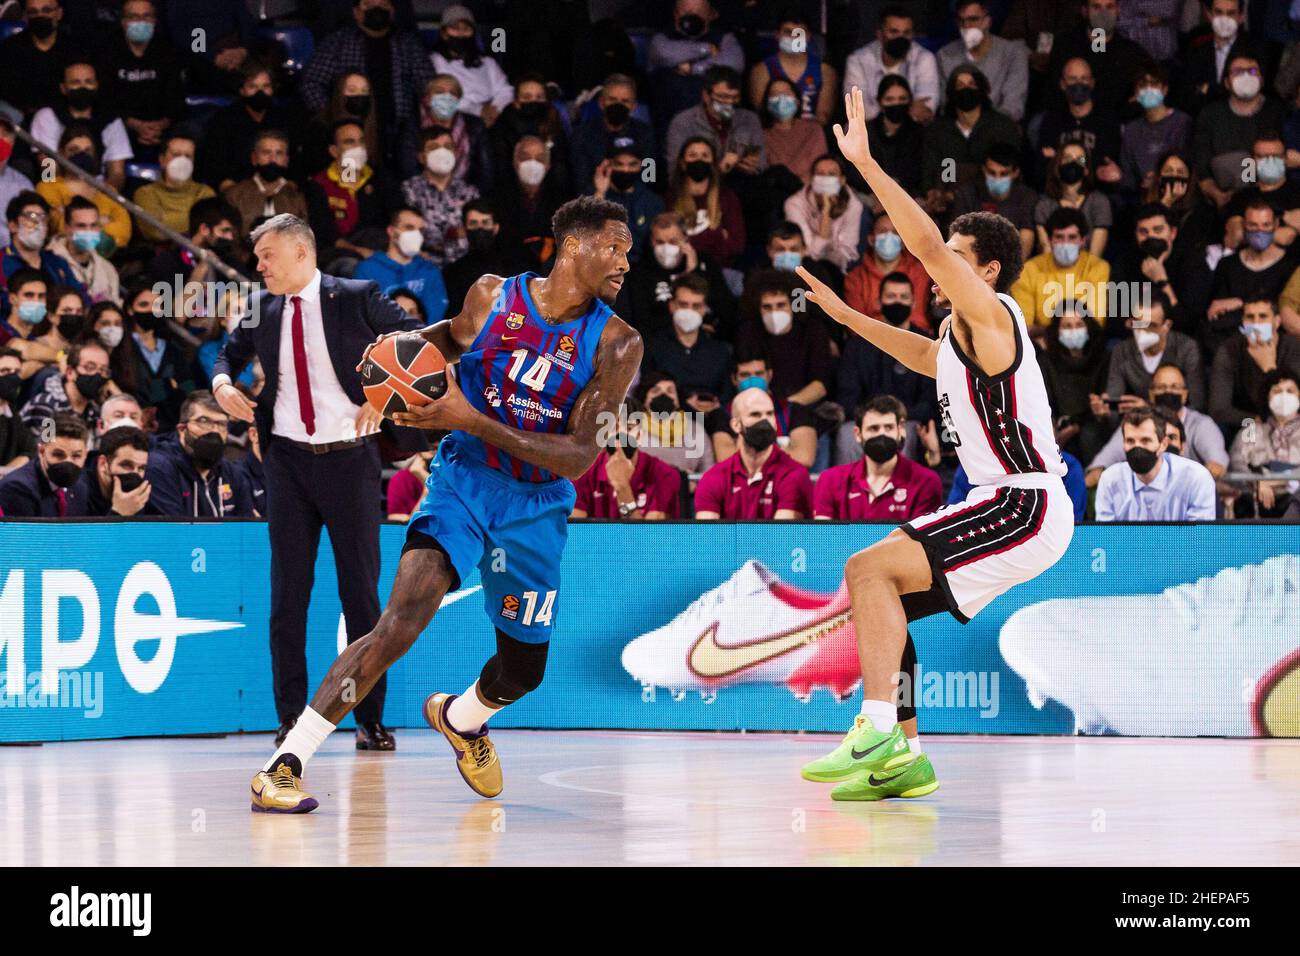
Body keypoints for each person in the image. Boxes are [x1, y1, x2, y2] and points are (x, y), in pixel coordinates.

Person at [244, 197, 642, 812]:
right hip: (463, 479)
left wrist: (469, 417)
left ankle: (462, 717)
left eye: (626, 250)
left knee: (522, 672)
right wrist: (391, 363)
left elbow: (578, 456)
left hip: (536, 504)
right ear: (571, 247)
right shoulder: (490, 296)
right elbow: (443, 340)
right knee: (400, 617)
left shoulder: (618, 343)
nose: (624, 260)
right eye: (613, 246)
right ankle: (285, 763)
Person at [793, 88, 1073, 801]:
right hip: (1007, 503)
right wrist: (844, 314)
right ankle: (905, 759)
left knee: (866, 567)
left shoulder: (993, 313)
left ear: (984, 272)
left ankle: (877, 725)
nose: (936, 261)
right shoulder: (958, 337)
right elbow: (921, 357)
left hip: (1025, 502)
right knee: (881, 599)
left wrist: (866, 164)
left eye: (954, 255)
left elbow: (919, 241)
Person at [212, 213, 422, 757]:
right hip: (285, 462)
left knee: (361, 597)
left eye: (267, 256)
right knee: (288, 598)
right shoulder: (260, 308)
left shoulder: (356, 295)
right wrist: (220, 384)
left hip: (349, 462)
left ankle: (369, 722)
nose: (258, 266)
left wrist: (385, 399)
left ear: (301, 254)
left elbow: (418, 343)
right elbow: (228, 355)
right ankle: (291, 722)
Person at [1087, 363, 1228, 486]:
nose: (1168, 391)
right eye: (1161, 387)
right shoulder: (1135, 422)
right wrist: (1098, 471)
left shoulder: (1201, 424)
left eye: (1175, 387)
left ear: (1185, 394)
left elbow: (1217, 461)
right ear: (1151, 394)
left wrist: (1215, 467)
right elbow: (1105, 460)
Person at [814, 395, 942, 521]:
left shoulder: (925, 481)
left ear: (900, 430)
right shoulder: (830, 480)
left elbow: (921, 538)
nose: (882, 434)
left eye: (889, 427)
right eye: (873, 428)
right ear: (858, 434)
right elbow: (824, 537)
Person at [694, 386, 813, 519]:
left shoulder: (794, 474)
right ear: (736, 425)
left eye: (770, 414)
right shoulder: (714, 477)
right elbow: (706, 535)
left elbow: (781, 536)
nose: (765, 421)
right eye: (755, 414)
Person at [144, 390, 255, 517]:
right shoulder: (160, 467)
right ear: (182, 429)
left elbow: (244, 530)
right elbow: (174, 532)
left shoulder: (233, 473)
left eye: (221, 424)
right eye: (204, 421)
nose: (214, 431)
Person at [1095, 407, 1216, 520]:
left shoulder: (1196, 478)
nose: (1137, 447)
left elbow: (1199, 539)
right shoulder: (1110, 479)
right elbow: (1107, 538)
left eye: (1145, 440)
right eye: (1130, 441)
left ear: (1163, 444)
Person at [570, 401, 682, 519]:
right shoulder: (582, 472)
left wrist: (622, 487)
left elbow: (649, 536)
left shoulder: (664, 474)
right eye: (615, 427)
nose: (621, 434)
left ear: (639, 435)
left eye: (629, 428)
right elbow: (576, 531)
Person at [1209, 295, 1300, 431]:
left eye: (1263, 316)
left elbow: (1288, 406)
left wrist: (1269, 368)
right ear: (1243, 322)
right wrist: (1258, 422)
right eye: (1250, 317)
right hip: (1247, 424)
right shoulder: (1229, 349)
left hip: (1291, 424)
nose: (1256, 324)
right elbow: (1218, 409)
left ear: (1277, 321)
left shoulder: (1294, 348)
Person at [843, 5, 940, 124]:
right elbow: (856, 111)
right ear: (880, 34)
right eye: (894, 32)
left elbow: (925, 110)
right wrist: (903, 110)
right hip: (871, 132)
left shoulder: (924, 58)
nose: (900, 37)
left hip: (912, 131)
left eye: (906, 33)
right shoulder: (858, 60)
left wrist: (884, 111)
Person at [351, 206, 449, 322]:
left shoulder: (430, 271)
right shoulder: (366, 271)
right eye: (409, 228)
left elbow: (435, 318)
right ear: (391, 231)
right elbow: (363, 316)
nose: (416, 235)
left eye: (420, 230)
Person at [936, 1, 1029, 122]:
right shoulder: (945, 55)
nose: (966, 26)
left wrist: (983, 126)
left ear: (988, 21)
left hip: (999, 126)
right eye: (961, 21)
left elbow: (1013, 106)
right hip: (959, 128)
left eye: (973, 19)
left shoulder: (1013, 54)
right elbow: (946, 104)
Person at [1228, 370, 1300, 517]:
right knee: (1242, 503)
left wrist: (1276, 482)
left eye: (1290, 391)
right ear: (1267, 395)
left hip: (1296, 497)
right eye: (1277, 391)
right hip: (1257, 496)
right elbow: (1236, 462)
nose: (1284, 396)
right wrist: (1257, 482)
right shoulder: (1252, 430)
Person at [844, 214, 933, 333]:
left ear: (902, 242)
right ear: (871, 239)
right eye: (883, 231)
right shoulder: (855, 278)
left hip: (915, 341)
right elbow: (856, 326)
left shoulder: (920, 272)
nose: (889, 237)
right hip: (871, 343)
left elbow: (918, 319)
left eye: (895, 233)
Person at [0, 411, 88, 516]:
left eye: (76, 456)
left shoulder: (81, 486)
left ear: (85, 454)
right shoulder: (17, 489)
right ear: (41, 451)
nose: (68, 462)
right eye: (58, 455)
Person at [133, 134, 214, 243]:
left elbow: (210, 230)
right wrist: (194, 222)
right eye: (176, 155)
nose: (182, 161)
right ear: (162, 160)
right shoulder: (145, 193)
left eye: (188, 156)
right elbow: (155, 231)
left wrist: (166, 220)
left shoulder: (205, 192)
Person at [82, 423, 153, 516]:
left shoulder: (139, 493)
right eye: (127, 465)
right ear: (103, 464)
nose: (135, 473)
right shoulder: (79, 491)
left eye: (141, 468)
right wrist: (119, 513)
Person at [0, 347, 38, 478]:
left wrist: (6, 473)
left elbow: (31, 450)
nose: (12, 377)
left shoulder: (10, 411)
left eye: (16, 372)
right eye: (4, 371)